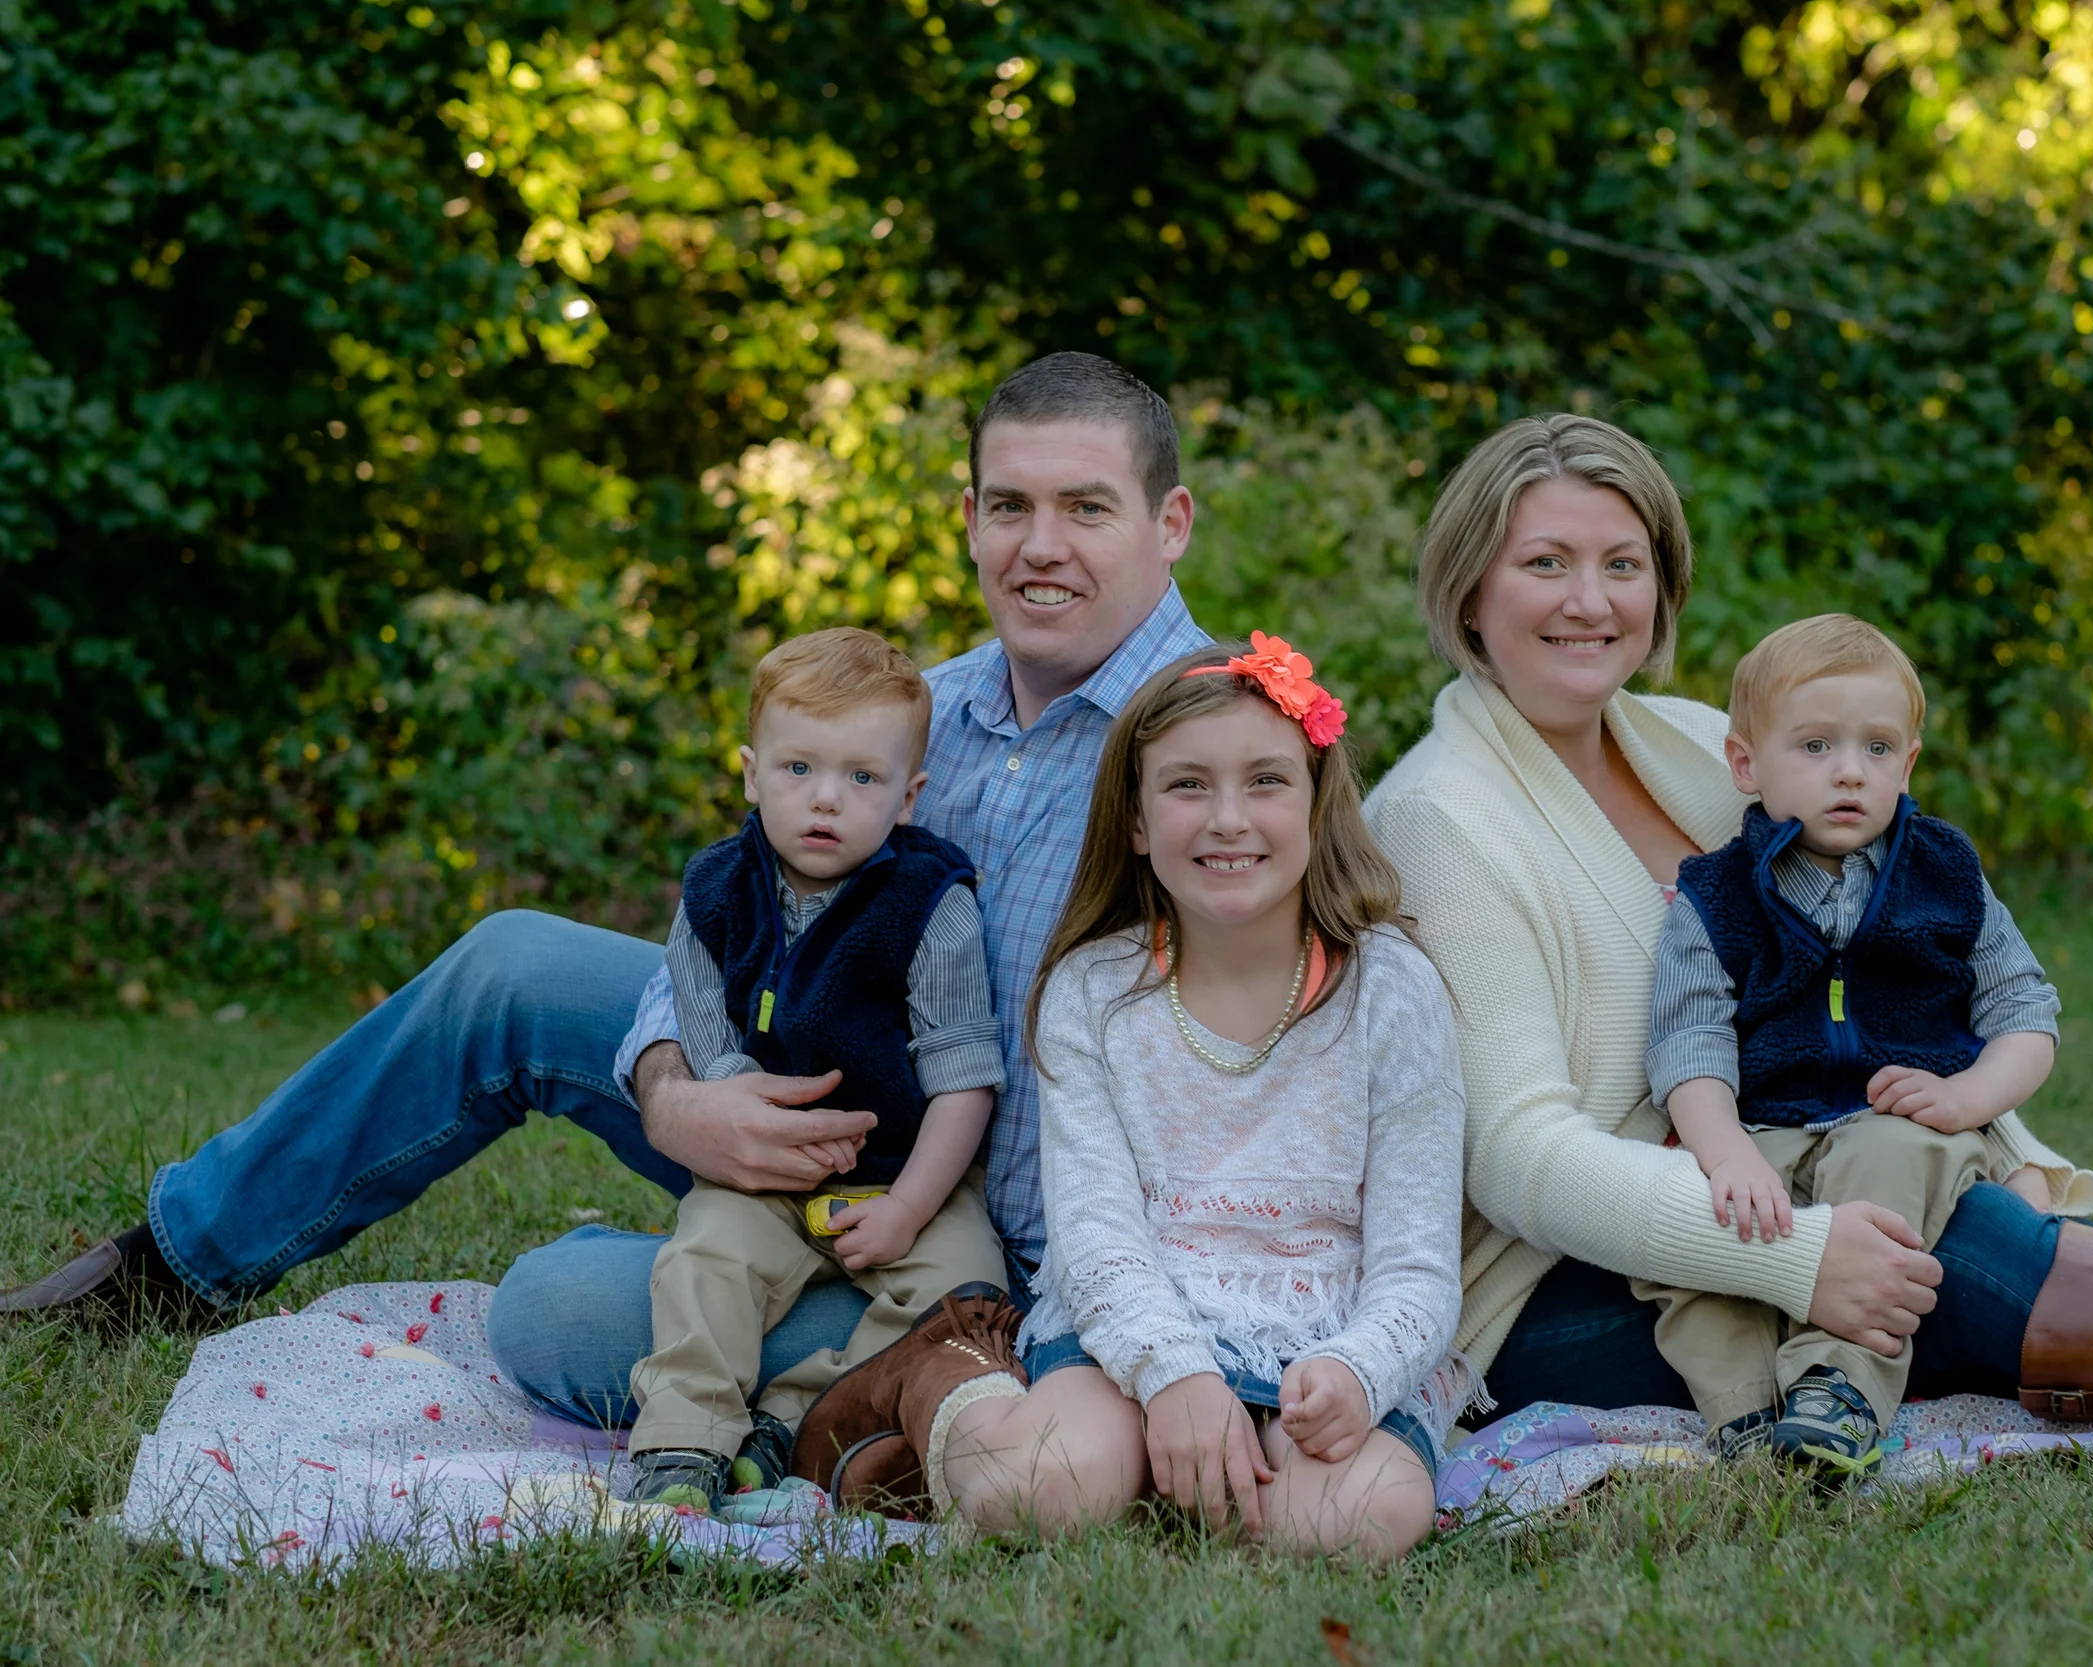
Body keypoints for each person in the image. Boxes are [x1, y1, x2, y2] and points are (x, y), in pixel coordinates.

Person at [0, 354, 1211, 1420]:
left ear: (1170, 522)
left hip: (974, 1252)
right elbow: (723, 918)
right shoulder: (921, 712)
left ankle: (723, 1311)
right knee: (514, 962)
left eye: (1084, 508)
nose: (1038, 545)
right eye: (1009, 504)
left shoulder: (1222, 758)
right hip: (795, 1115)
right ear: (966, 516)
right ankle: (174, 1261)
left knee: (551, 1312)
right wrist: (675, 1091)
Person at [1364, 412, 2093, 1491]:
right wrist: (1801, 1257)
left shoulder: (1699, 744)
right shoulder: (1441, 819)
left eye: (1621, 562)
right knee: (1955, 1261)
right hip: (1578, 1283)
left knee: (1964, 1232)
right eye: (1545, 563)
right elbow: (1521, 1157)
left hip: (1824, 1170)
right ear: (1469, 586)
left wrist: (1953, 1119)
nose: (1588, 600)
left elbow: (1899, 931)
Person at [791, 639, 1466, 1558]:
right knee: (1047, 1493)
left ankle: (1178, 1463)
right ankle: (945, 1380)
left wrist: (1358, 1368)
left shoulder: (1395, 990)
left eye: (1266, 780)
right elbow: (1098, 1236)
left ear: (1317, 805)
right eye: (1187, 785)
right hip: (1135, 1314)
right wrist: (1174, 1372)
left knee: (1356, 1519)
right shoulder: (1096, 991)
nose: (1228, 818)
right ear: (1138, 820)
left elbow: (1419, 1263)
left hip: (1325, 1324)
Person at [1649, 614, 2060, 1473]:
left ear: (1908, 763)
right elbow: (1690, 1043)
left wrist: (1966, 1099)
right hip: (1765, 1133)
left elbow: (2026, 1009)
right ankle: (1741, 1411)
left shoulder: (1943, 871)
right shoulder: (1715, 895)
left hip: (1898, 1128)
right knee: (1691, 1221)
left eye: (1877, 749)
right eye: (1815, 746)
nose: (1849, 771)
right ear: (1746, 764)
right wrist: (1725, 1155)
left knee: (1890, 1168)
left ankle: (1837, 1391)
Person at [621, 627, 1007, 1507]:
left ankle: (790, 1422)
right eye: (798, 770)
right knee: (703, 1259)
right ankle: (683, 1443)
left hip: (910, 1173)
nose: (825, 799)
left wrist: (911, 1206)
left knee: (962, 1290)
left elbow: (963, 1078)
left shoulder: (930, 909)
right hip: (766, 1171)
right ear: (753, 773)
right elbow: (698, 1004)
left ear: (908, 796)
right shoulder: (717, 888)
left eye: (862, 778)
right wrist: (726, 1092)